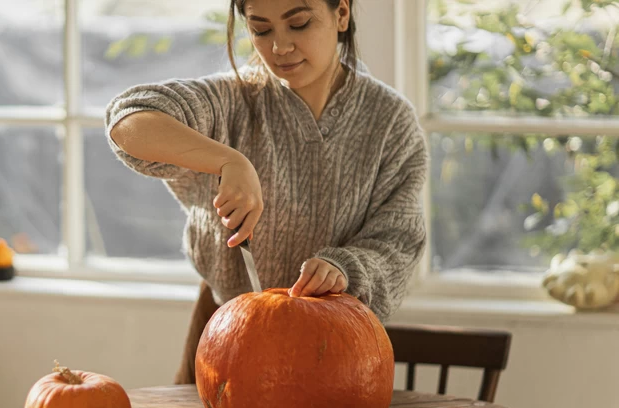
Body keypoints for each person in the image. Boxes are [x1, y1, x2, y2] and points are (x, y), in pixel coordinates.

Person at [105, 0, 428, 384]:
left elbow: (398, 241)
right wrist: (229, 160)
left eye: (299, 24)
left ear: (341, 14)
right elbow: (128, 121)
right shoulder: (230, 101)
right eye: (261, 29)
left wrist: (344, 268)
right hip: (226, 333)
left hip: (338, 348)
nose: (279, 47)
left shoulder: (391, 122)